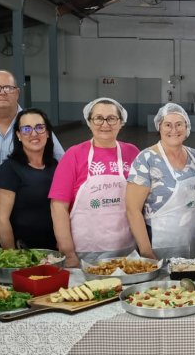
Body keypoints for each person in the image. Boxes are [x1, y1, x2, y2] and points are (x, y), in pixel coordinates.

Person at [49, 98, 140, 266]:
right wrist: (68, 252)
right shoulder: (74, 154)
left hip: (127, 250)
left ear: (121, 122)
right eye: (98, 118)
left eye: (111, 118)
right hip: (84, 251)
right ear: (89, 122)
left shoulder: (132, 153)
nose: (105, 124)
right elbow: (58, 206)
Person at [126, 103, 195, 260]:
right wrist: (146, 252)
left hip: (194, 239)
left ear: (186, 127)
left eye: (179, 124)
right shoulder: (146, 159)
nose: (174, 130)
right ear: (159, 127)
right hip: (159, 243)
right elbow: (132, 210)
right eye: (168, 125)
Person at [0, 70, 64, 170]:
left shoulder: (37, 124)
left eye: (8, 88)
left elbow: (63, 162)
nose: (2, 93)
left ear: (17, 93)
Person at [0, 108, 59, 250]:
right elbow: (1, 220)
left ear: (48, 133)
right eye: (26, 129)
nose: (34, 133)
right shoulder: (9, 170)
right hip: (24, 251)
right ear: (18, 135)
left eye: (40, 127)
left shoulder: (55, 166)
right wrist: (13, 257)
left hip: (54, 249)